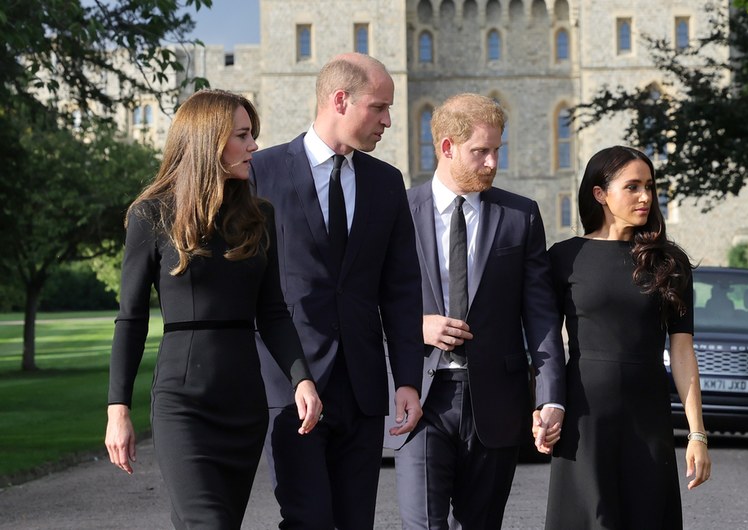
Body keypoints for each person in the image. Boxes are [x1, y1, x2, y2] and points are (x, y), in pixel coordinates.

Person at [104, 89, 321, 529]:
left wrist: (301, 379)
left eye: (252, 135)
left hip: (243, 404)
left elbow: (274, 312)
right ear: (210, 141)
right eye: (243, 135)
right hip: (183, 405)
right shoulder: (152, 215)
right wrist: (118, 409)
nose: (254, 146)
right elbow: (131, 318)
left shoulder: (258, 216)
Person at [250, 53, 425, 529]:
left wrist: (407, 379)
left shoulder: (387, 183)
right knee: (307, 520)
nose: (388, 121)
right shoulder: (261, 173)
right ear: (340, 100)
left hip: (364, 390)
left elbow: (402, 290)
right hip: (291, 386)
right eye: (379, 108)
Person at [386, 93, 566, 529]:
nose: (491, 163)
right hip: (420, 396)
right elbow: (362, 301)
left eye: (496, 151)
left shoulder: (520, 216)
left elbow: (541, 315)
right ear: (446, 148)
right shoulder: (397, 212)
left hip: (496, 400)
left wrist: (550, 397)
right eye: (479, 152)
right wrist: (415, 326)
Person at [542, 146, 711, 529]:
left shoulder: (670, 263)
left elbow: (682, 352)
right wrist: (543, 406)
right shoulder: (564, 257)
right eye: (632, 186)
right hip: (584, 420)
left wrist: (697, 434)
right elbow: (546, 343)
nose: (646, 197)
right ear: (600, 193)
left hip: (646, 418)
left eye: (649, 186)